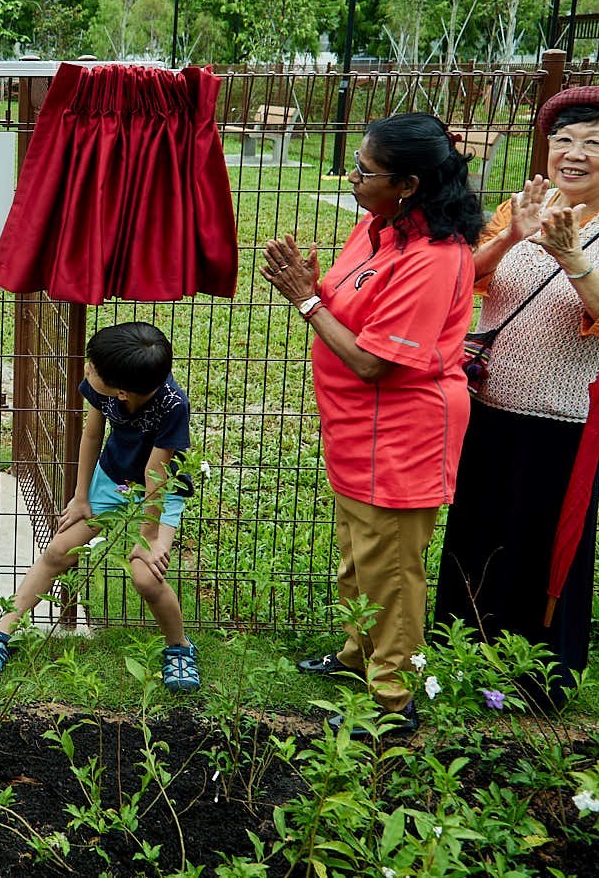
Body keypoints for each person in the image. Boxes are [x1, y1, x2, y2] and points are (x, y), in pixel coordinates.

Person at [435, 85, 599, 705]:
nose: (573, 153)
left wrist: (572, 258)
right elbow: (466, 279)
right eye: (563, 139)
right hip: (486, 400)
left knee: (544, 539)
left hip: (560, 413)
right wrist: (515, 235)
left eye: (594, 142)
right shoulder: (522, 203)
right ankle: (457, 659)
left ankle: (538, 679)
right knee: (476, 530)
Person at [263, 113, 479, 737]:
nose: (351, 177)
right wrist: (313, 289)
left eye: (364, 170)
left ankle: (393, 698)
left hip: (404, 432)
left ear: (408, 183)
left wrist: (305, 299)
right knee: (358, 560)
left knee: (392, 568)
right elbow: (351, 307)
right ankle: (358, 656)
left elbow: (373, 361)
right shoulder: (378, 227)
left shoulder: (434, 258)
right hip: (356, 428)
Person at [0, 322, 199, 693]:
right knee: (59, 550)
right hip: (112, 479)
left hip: (160, 491)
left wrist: (147, 538)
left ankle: (180, 648)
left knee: (145, 577)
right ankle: (2, 632)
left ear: (122, 391)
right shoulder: (106, 387)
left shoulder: (172, 404)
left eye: (91, 369)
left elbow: (156, 474)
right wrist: (81, 497)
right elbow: (92, 434)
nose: (86, 370)